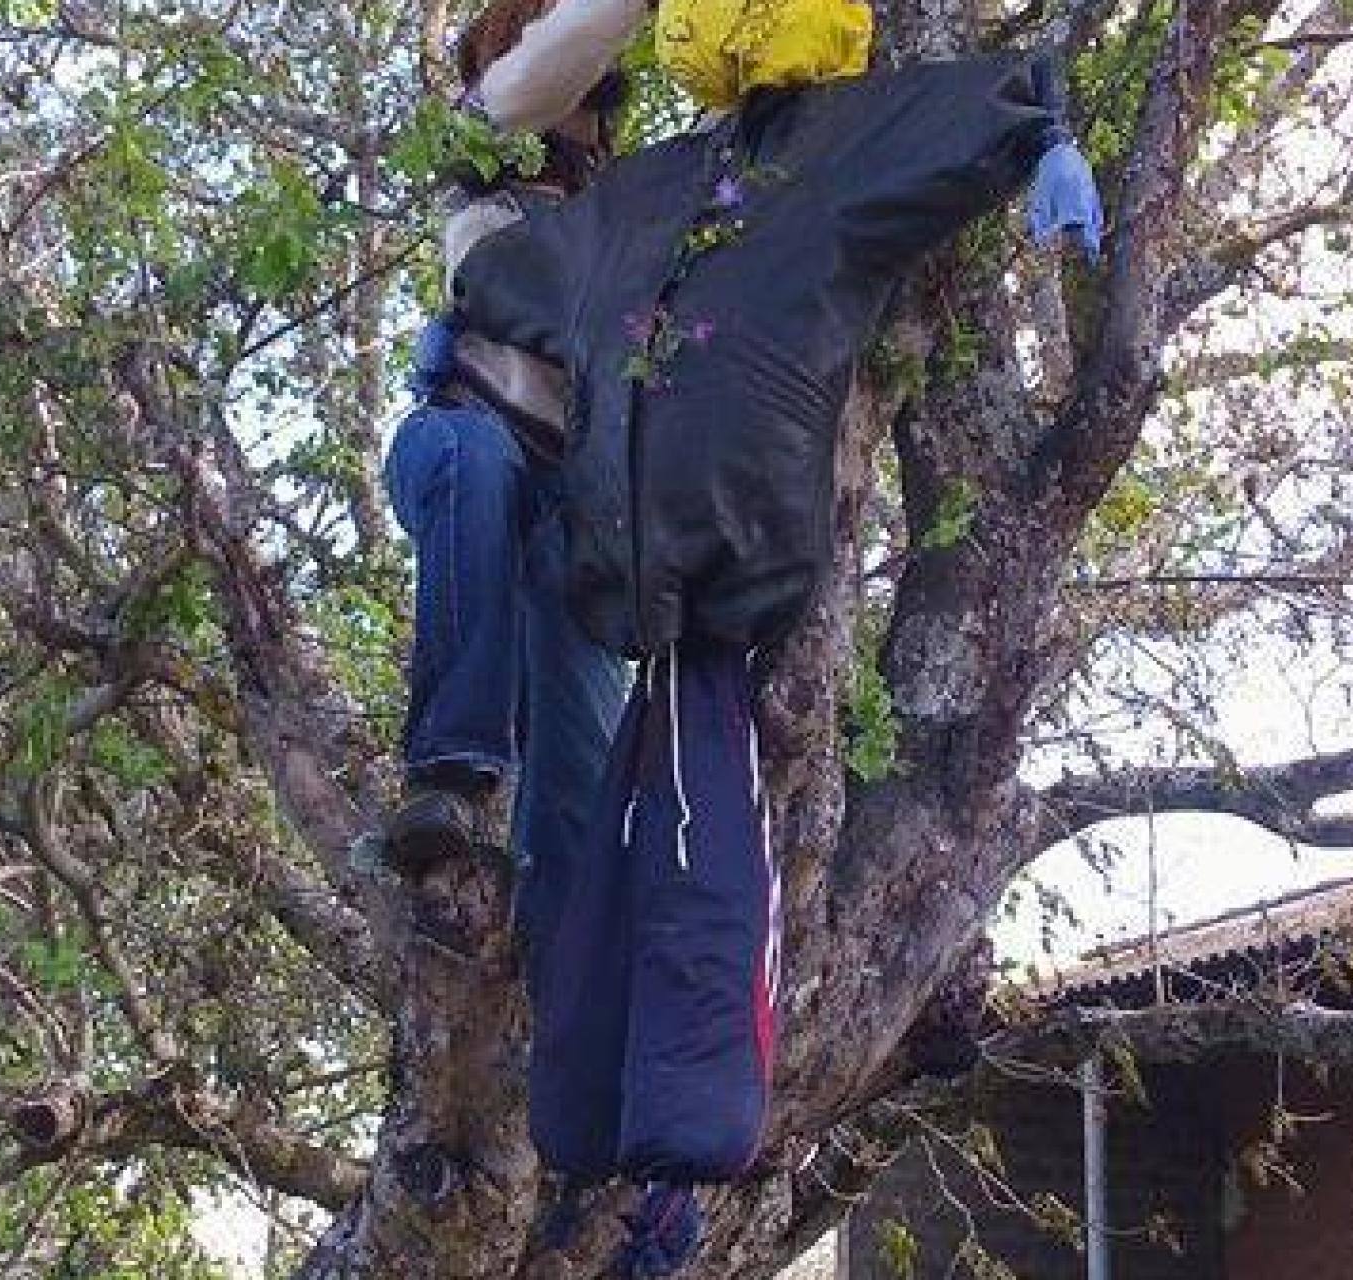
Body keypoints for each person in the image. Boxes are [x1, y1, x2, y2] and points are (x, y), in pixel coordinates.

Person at [449, 10, 1103, 1278]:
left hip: (727, 589)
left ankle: (666, 1164)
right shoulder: (635, 201)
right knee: (598, 875)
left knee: (698, 870)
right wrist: (471, 227)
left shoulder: (827, 155)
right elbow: (498, 257)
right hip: (628, 592)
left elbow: (972, 111)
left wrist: (1041, 137)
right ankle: (601, 1140)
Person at [381, 0, 641, 974]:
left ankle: (562, 978)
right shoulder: (477, 153)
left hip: (570, 501)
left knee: (583, 758)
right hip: (466, 439)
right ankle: (450, 769)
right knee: (476, 464)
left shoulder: (625, 213)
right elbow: (540, 72)